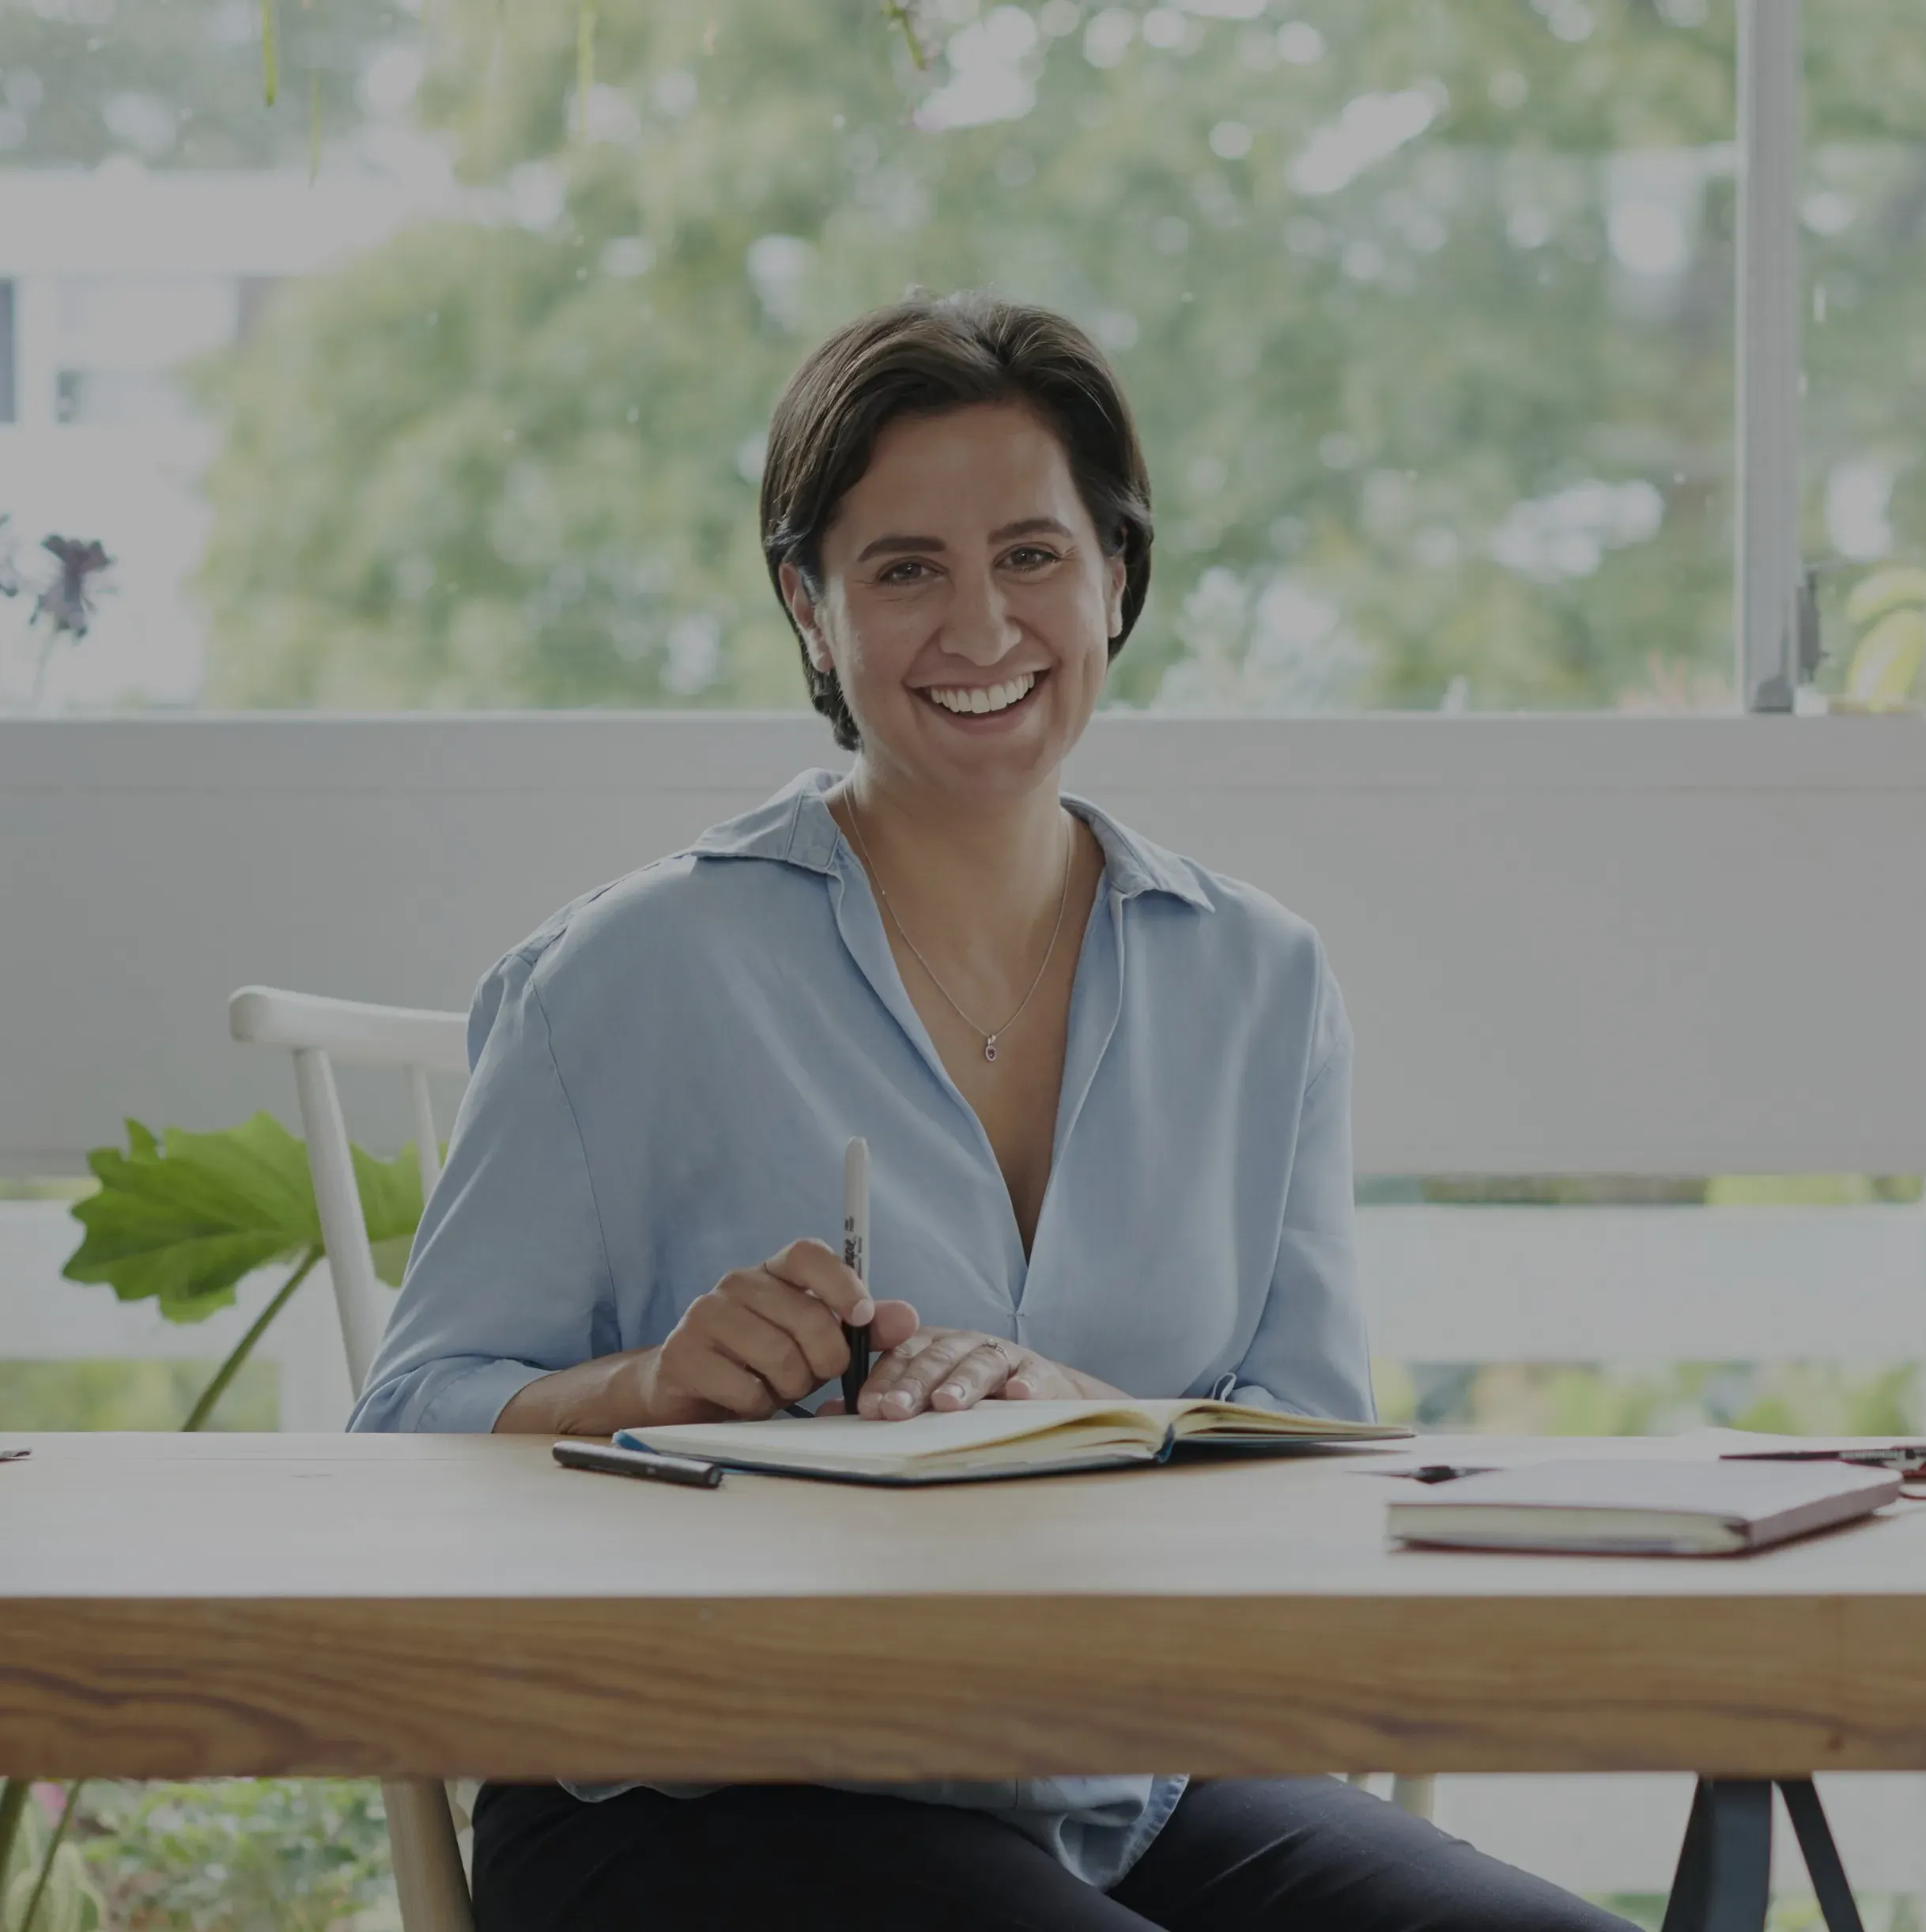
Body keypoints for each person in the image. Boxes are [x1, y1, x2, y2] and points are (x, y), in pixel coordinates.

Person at [352, 293, 1626, 1932]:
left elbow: (1314, 1466)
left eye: (1032, 556)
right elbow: (403, 1438)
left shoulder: (1259, 980)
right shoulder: (627, 974)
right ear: (809, 609)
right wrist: (647, 1385)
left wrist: (1076, 1408)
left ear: (1117, 577)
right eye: (904, 570)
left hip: (1124, 1776)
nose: (982, 626)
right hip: (702, 1791)